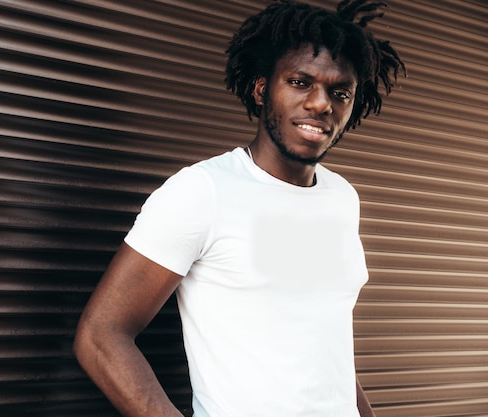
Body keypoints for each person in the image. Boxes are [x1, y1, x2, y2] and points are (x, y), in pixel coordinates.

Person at [73, 0, 405, 416]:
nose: (322, 104)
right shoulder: (203, 191)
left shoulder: (341, 197)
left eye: (340, 93)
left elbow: (327, 346)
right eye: (301, 82)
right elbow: (101, 334)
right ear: (262, 88)